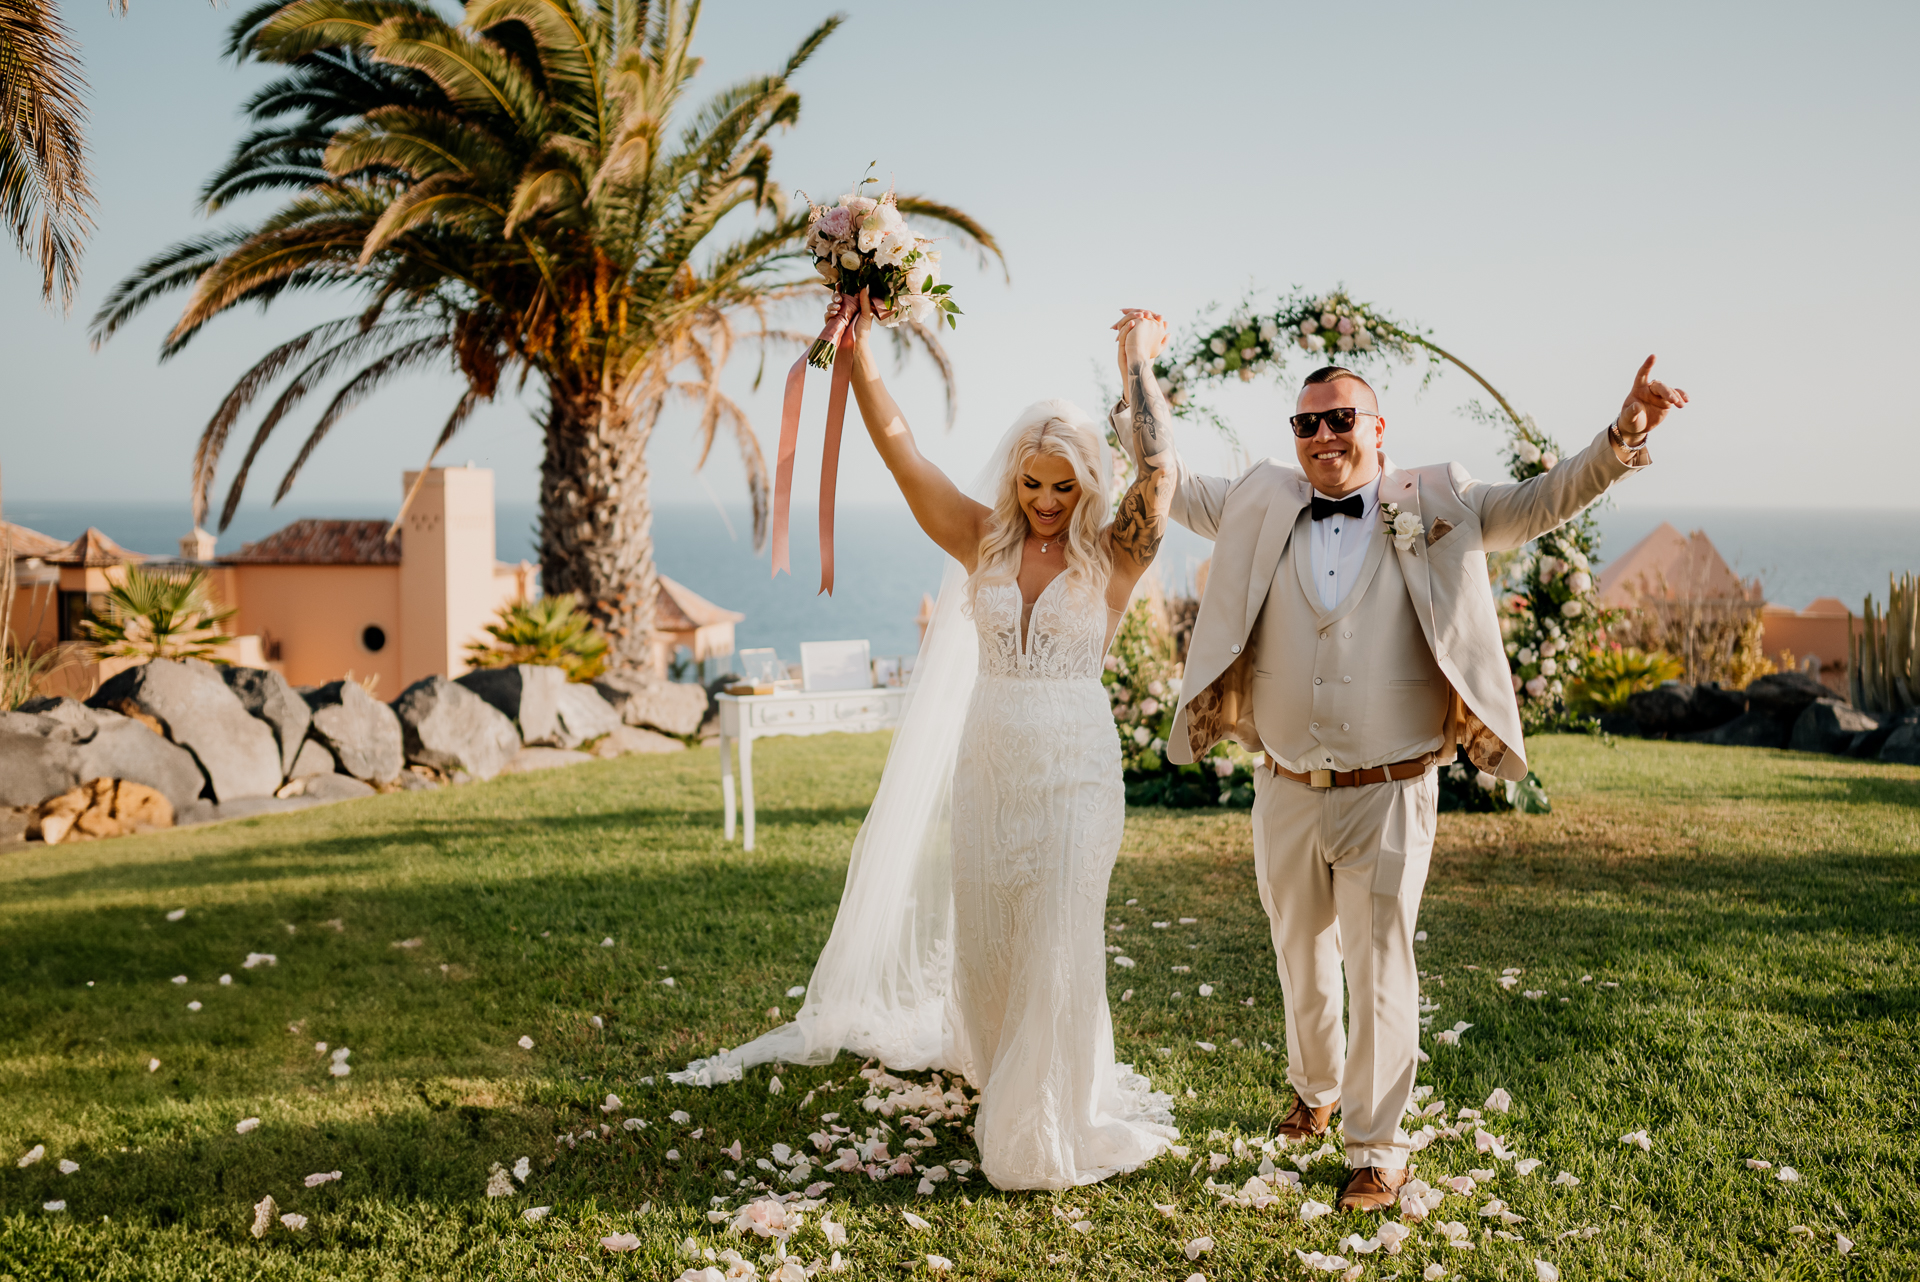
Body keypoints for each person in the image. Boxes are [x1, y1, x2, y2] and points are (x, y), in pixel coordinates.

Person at [1111, 324, 1686, 1210]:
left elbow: (1538, 502)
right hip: (1284, 786)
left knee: (1379, 964)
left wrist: (1622, 440)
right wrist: (1136, 369)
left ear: (1379, 430)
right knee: (1299, 956)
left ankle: (1378, 1146)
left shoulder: (1439, 497)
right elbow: (1165, 480)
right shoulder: (1260, 499)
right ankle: (1316, 1089)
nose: (1323, 437)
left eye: (1342, 419)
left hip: (1389, 790)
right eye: (1306, 426)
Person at [673, 291, 1181, 1190]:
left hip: (1076, 767)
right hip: (990, 762)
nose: (1048, 503)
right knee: (992, 934)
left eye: (1065, 486)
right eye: (1033, 484)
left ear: (1089, 484)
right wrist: (857, 350)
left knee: (1062, 933)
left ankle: (1044, 1120)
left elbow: (1163, 469)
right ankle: (998, 1069)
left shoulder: (1114, 553)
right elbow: (902, 453)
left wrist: (1136, 359)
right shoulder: (980, 539)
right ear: (1012, 480)